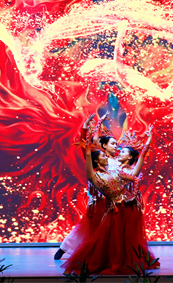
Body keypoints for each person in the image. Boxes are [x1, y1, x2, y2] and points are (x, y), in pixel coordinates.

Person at [62, 134, 159, 275]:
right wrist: (87, 144)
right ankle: (105, 262)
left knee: (123, 240)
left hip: (125, 208)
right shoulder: (95, 176)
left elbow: (136, 175)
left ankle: (125, 261)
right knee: (107, 240)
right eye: (103, 155)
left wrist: (132, 196)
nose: (106, 156)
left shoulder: (117, 172)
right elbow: (88, 156)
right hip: (113, 210)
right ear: (97, 160)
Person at [54, 113, 120, 260]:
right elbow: (86, 145)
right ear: (104, 146)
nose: (115, 146)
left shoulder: (117, 161)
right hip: (98, 199)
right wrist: (87, 126)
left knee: (109, 228)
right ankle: (65, 247)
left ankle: (105, 253)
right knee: (89, 226)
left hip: (112, 199)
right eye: (112, 144)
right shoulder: (98, 158)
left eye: (116, 144)